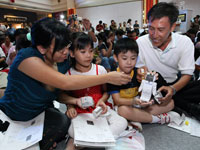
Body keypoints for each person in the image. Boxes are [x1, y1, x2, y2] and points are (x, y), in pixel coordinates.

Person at [0, 18, 131, 150]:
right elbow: (65, 83)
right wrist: (107, 77)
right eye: (60, 49)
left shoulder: (63, 60)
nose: (65, 52)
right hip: (13, 114)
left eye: (67, 47)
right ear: (42, 48)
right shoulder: (27, 58)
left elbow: (88, 48)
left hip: (41, 113)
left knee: (63, 123)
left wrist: (89, 30)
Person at [64, 32, 128, 150]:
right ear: (72, 53)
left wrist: (102, 101)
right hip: (81, 112)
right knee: (71, 130)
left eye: (91, 51)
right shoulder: (69, 74)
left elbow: (106, 92)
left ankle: (87, 139)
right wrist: (70, 106)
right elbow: (64, 96)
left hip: (100, 109)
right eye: (83, 52)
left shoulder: (100, 70)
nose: (88, 55)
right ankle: (100, 138)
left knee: (122, 123)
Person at [136, 3, 196, 119]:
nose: (154, 35)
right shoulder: (141, 42)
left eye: (161, 30)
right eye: (151, 28)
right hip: (154, 85)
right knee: (155, 76)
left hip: (176, 85)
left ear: (173, 27)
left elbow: (187, 74)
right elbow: (140, 69)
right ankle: (187, 107)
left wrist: (172, 89)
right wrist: (140, 73)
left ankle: (173, 103)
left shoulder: (184, 42)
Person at [108, 38, 179, 131]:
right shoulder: (113, 76)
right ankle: (157, 119)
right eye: (124, 58)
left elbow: (142, 94)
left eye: (133, 58)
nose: (129, 62)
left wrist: (148, 85)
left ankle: (138, 118)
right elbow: (117, 101)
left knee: (171, 103)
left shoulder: (138, 72)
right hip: (125, 105)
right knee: (123, 110)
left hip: (139, 105)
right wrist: (134, 102)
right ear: (116, 57)